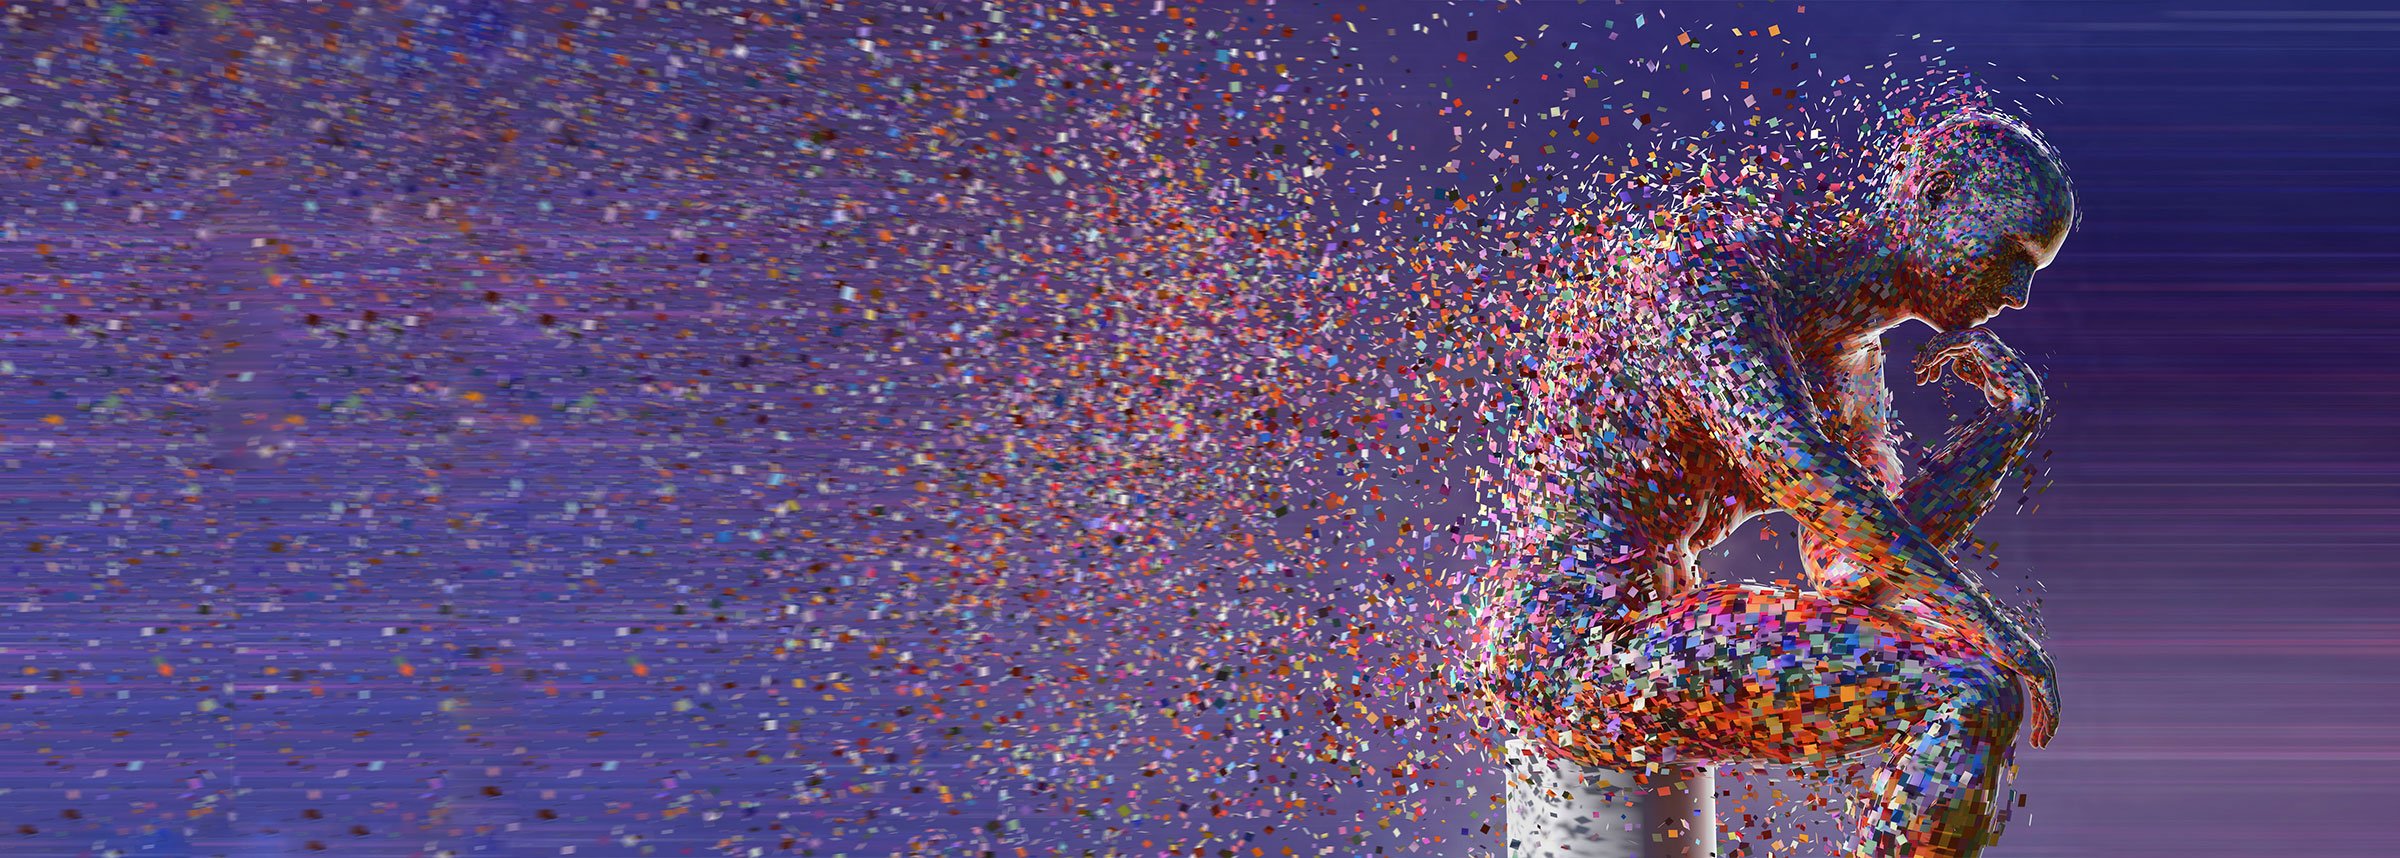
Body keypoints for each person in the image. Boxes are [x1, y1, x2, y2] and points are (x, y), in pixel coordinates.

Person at [1469, 110, 2075, 858]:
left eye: (2033, 270)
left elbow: (1851, 568)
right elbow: (1792, 465)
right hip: (1564, 645)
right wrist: (1986, 621)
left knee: (1975, 686)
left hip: (1642, 627)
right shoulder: (1712, 268)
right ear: (1936, 193)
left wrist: (2003, 428)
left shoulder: (1846, 359)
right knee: (1969, 689)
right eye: (2010, 251)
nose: (2015, 292)